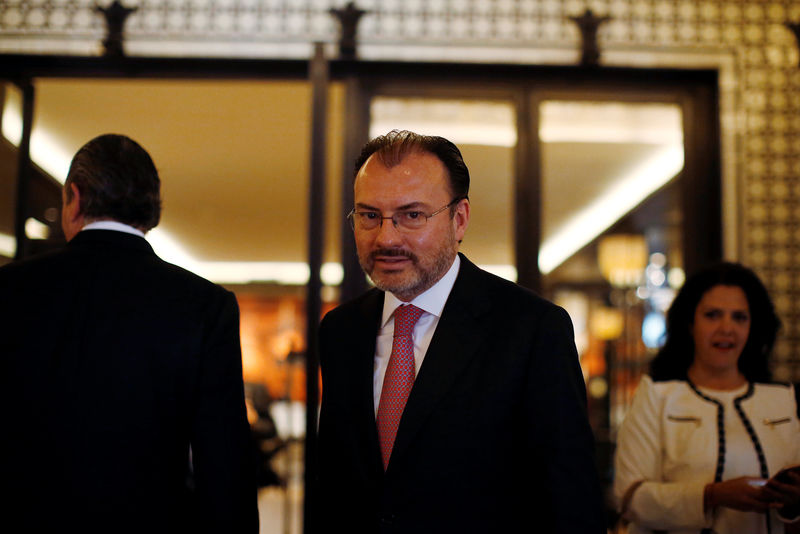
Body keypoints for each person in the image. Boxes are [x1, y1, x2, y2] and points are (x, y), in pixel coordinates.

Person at [316, 130, 606, 532]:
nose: (386, 237)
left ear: (460, 219)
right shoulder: (341, 331)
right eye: (369, 216)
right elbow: (332, 486)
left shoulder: (532, 329)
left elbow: (571, 498)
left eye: (412, 215)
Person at [0, 134, 258, 533]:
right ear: (152, 210)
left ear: (74, 198)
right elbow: (224, 467)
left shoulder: (10, 291)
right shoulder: (204, 305)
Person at [613, 262, 800, 534]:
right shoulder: (656, 397)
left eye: (739, 317)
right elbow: (630, 499)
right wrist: (712, 495)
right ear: (690, 323)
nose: (727, 328)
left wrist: (793, 504)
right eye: (713, 315)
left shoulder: (782, 400)